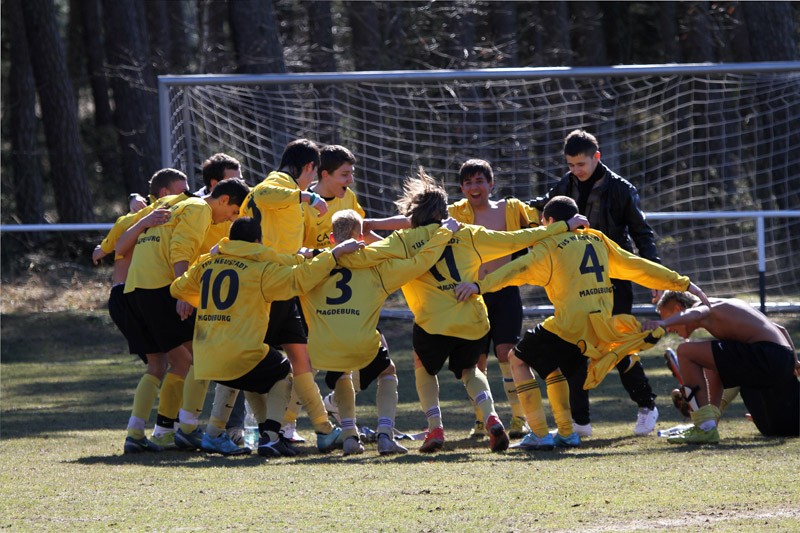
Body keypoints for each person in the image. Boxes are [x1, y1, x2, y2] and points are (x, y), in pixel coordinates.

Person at [338, 170, 589, 454]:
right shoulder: (468, 233)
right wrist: (563, 226)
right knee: (470, 370)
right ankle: (491, 417)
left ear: (414, 214)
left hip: (432, 323)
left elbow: (365, 256)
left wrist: (328, 255)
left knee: (424, 367)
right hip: (472, 320)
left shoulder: (404, 240)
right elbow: (518, 239)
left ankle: (435, 427)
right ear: (442, 213)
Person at [455, 196, 707, 450]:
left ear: (549, 221)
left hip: (570, 325)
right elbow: (637, 265)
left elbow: (517, 269)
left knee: (516, 359)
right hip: (597, 327)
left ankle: (540, 434)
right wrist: (683, 283)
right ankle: (567, 433)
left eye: (543, 223)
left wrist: (479, 285)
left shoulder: (550, 245)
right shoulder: (597, 239)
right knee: (550, 367)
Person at [170, 217, 364, 457]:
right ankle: (271, 436)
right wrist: (333, 255)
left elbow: (177, 288)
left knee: (241, 377)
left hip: (205, 354)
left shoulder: (207, 263)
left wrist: (204, 289)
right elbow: (299, 279)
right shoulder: (261, 270)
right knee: (283, 373)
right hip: (240, 352)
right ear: (257, 242)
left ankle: (214, 433)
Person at [530, 129, 663, 437]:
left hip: (614, 280)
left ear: (596, 157)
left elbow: (642, 234)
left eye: (581, 164)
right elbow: (541, 206)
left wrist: (654, 274)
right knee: (576, 346)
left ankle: (647, 405)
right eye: (570, 164)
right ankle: (581, 422)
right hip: (576, 281)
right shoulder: (565, 184)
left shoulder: (621, 189)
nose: (576, 170)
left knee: (617, 344)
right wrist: (506, 209)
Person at [300, 209, 459, 456]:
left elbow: (288, 272)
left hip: (324, 346)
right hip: (362, 341)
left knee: (341, 372)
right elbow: (420, 262)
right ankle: (385, 435)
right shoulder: (376, 267)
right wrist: (444, 234)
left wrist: (306, 253)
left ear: (332, 238)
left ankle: (349, 437)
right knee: (387, 371)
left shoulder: (313, 265)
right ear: (360, 238)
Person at [117, 176, 248, 454]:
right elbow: (181, 248)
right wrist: (182, 292)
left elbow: (123, 241)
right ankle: (187, 430)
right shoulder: (200, 209)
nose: (231, 219)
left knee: (162, 364)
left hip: (134, 289)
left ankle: (140, 433)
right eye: (233, 211)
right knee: (201, 357)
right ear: (223, 199)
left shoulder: (170, 202)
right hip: (161, 288)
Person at [239, 139, 344, 452]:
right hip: (266, 287)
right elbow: (261, 194)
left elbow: (280, 240)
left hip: (284, 284)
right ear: (309, 167)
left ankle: (322, 429)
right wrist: (306, 196)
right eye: (312, 175)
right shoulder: (278, 184)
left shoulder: (290, 193)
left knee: (301, 359)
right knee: (248, 363)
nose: (311, 183)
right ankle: (252, 431)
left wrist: (306, 253)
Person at [448, 158, 540, 439]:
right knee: (476, 361)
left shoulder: (511, 208)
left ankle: (519, 418)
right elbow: (422, 223)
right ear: (462, 188)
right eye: (468, 182)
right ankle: (482, 419)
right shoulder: (454, 213)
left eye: (479, 181)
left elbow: (542, 220)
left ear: (491, 184)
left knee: (507, 353)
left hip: (506, 292)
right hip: (472, 296)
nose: (474, 187)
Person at [643, 291, 799, 443]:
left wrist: (662, 323)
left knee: (685, 351)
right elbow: (781, 329)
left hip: (767, 355)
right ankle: (709, 423)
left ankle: (704, 426)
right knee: (712, 363)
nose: (668, 330)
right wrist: (795, 361)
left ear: (679, 310)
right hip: (780, 358)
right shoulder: (726, 306)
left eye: (668, 320)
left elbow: (697, 313)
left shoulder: (705, 306)